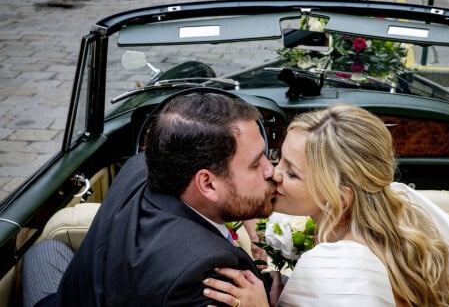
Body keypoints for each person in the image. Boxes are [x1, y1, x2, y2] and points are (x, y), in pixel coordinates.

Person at [203, 103, 449, 306]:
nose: (274, 173)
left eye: (292, 172)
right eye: (279, 158)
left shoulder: (334, 269)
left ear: (341, 197)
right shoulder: (401, 207)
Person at [22, 93, 279, 307]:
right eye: (257, 164)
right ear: (208, 184)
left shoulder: (137, 169)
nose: (272, 170)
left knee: (43, 250)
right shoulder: (201, 275)